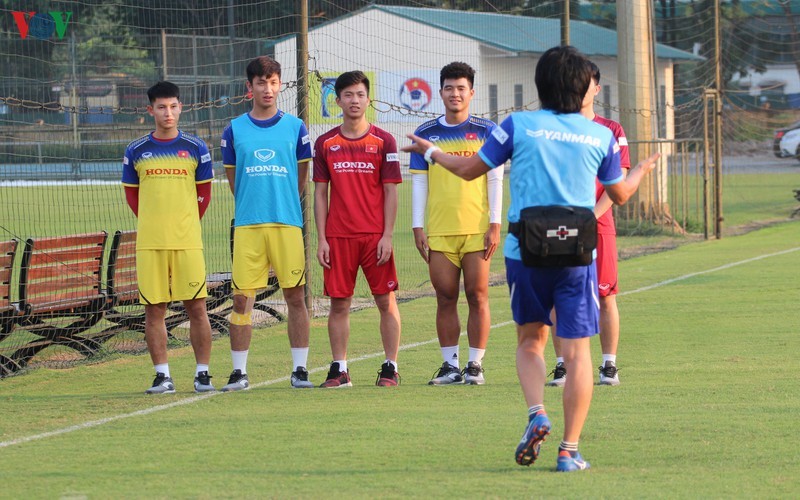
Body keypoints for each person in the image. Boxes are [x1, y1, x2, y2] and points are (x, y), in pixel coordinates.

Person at [402, 45, 659, 472]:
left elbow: (467, 170)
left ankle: (537, 411)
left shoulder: (517, 125)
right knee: (577, 354)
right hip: (577, 253)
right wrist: (642, 170)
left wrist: (429, 151)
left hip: (526, 252)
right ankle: (569, 450)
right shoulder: (599, 135)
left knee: (529, 341)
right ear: (583, 88)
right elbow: (620, 195)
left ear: (540, 84)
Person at [220, 56, 314, 390]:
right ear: (249, 88)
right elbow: (234, 181)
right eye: (261, 82)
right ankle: (239, 372)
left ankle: (300, 370)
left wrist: (281, 200)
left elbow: (301, 179)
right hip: (249, 225)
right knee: (242, 299)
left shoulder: (296, 128)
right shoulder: (234, 130)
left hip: (286, 223)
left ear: (280, 85)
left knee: (295, 297)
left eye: (273, 82)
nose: (268, 89)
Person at [408, 62, 503, 386]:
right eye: (449, 88)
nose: (455, 93)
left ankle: (475, 364)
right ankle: (450, 365)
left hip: (477, 229)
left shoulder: (487, 131)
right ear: (440, 92)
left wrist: (494, 223)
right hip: (440, 231)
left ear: (471, 92)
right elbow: (419, 183)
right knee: (445, 297)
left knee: (477, 295)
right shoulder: (425, 134)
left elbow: (495, 180)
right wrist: (417, 227)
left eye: (461, 88)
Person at [122, 81, 215, 394]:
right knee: (154, 310)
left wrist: (182, 223)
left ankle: (203, 373)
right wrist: (155, 223)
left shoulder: (196, 148)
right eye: (161, 107)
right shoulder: (136, 151)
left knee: (197, 308)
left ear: (181, 107)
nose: (168, 112)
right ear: (150, 110)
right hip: (151, 244)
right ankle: (162, 375)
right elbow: (133, 198)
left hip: (187, 242)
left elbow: (204, 195)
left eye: (173, 106)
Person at [313, 71, 403, 387]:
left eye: (360, 94)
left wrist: (388, 235)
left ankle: (390, 367)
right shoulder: (325, 143)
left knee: (385, 300)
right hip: (338, 237)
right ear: (337, 101)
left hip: (375, 236)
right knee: (339, 304)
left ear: (368, 99)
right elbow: (320, 193)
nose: (354, 100)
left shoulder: (383, 141)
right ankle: (340, 370)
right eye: (348, 95)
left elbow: (391, 191)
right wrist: (322, 238)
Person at [547, 61, 631, 388]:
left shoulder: (612, 130)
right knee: (558, 295)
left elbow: (619, 181)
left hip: (598, 224)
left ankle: (608, 365)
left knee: (606, 294)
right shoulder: (555, 128)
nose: (581, 89)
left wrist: (591, 217)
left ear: (597, 88)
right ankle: (562, 366)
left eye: (588, 83)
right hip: (561, 225)